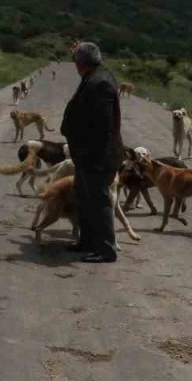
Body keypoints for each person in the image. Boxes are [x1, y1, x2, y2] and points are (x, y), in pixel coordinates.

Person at [59, 41, 125, 263]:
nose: (74, 64)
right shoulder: (96, 75)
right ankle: (87, 241)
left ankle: (106, 250)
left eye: (76, 59)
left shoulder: (100, 83)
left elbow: (103, 127)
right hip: (87, 156)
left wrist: (96, 158)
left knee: (99, 201)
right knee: (84, 198)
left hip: (98, 156)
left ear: (82, 62)